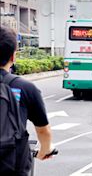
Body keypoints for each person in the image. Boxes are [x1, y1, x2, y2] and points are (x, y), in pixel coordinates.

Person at [0, 26, 53, 175]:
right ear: (13, 56)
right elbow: (43, 130)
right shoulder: (25, 88)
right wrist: (45, 150)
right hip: (9, 164)